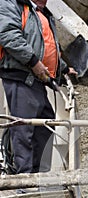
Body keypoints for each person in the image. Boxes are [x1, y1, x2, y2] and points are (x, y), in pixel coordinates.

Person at [0, 0, 78, 174]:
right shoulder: (12, 5)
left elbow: (46, 47)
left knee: (45, 123)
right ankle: (24, 179)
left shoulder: (42, 14)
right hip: (22, 77)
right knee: (24, 128)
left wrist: (63, 68)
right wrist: (34, 62)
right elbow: (8, 35)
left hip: (37, 80)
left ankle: (40, 176)